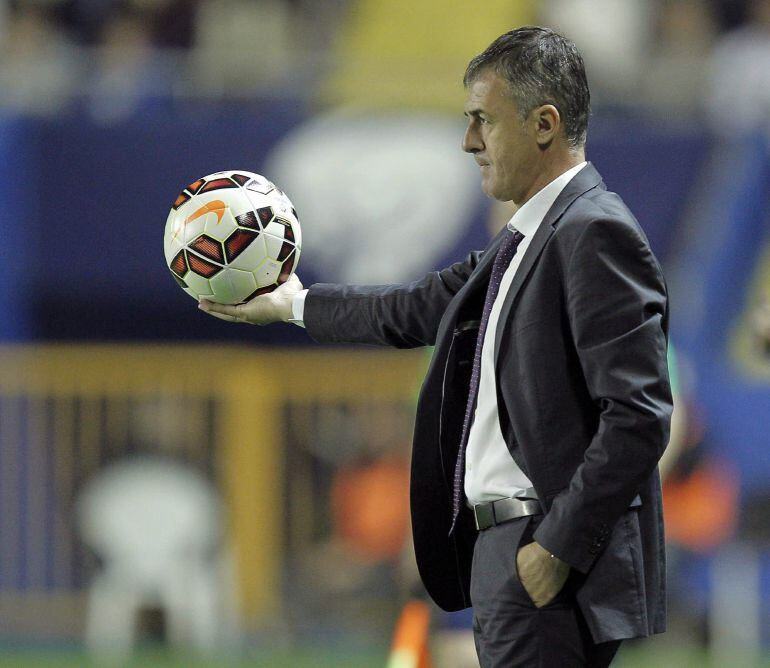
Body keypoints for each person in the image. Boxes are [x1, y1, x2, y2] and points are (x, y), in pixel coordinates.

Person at [200, 26, 672, 668]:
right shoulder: (529, 238)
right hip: (506, 549)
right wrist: (291, 303)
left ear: (543, 124)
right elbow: (412, 308)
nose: (468, 141)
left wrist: (558, 546)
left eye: (484, 120)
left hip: (543, 552)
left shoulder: (594, 233)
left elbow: (639, 417)